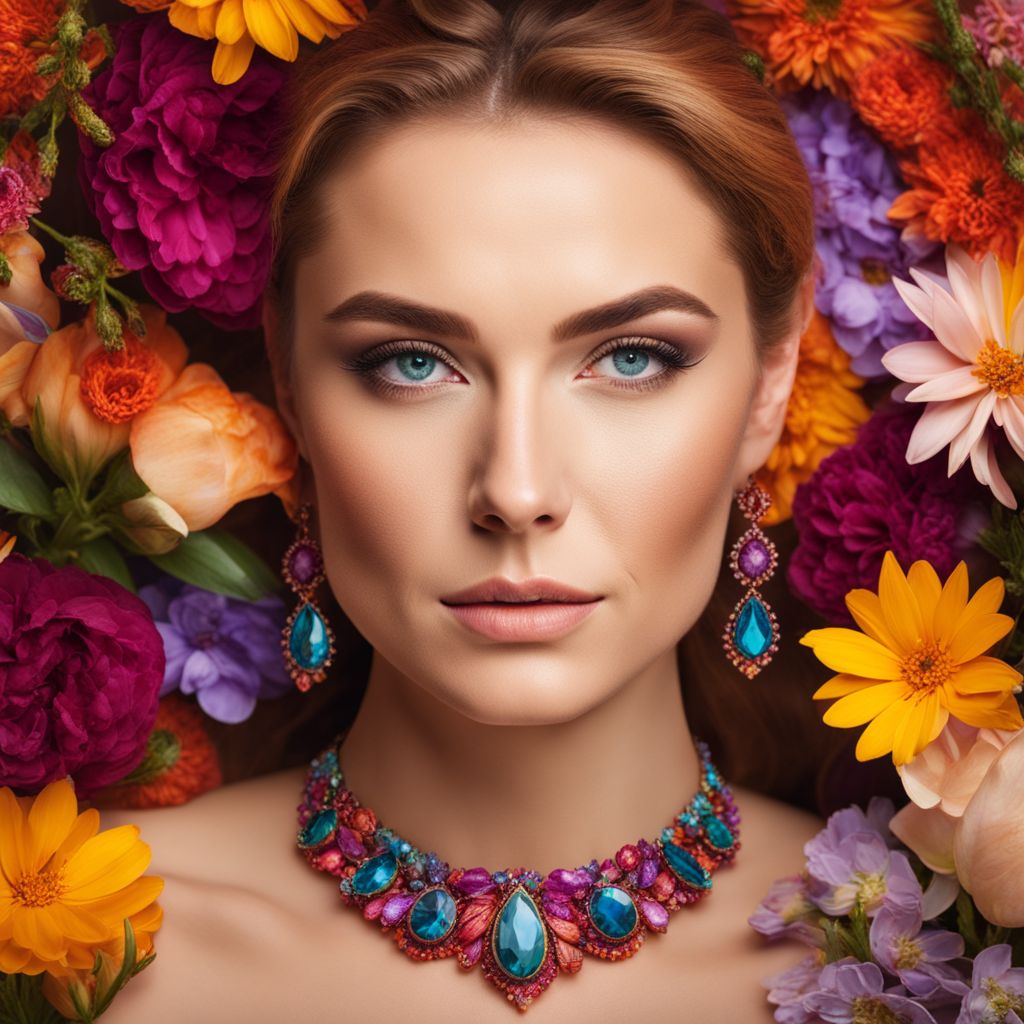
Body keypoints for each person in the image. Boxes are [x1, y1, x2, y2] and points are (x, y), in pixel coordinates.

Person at [99, 0, 827, 1018]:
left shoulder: (925, 958)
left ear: (771, 378)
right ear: (291, 379)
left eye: (630, 357)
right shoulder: (87, 947)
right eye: (410, 362)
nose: (517, 491)